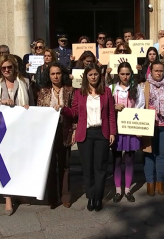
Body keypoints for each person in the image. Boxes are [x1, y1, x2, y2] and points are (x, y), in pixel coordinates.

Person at [57, 63, 116, 212]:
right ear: (86, 77)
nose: (93, 77)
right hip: (86, 134)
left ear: (99, 75)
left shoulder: (107, 92)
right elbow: (75, 112)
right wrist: (64, 109)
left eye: (96, 74)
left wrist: (112, 132)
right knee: (88, 168)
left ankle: (98, 197)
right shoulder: (80, 93)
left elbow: (110, 114)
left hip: (102, 133)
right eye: (90, 75)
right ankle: (90, 197)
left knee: (100, 168)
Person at [0, 55, 34, 215]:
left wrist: (27, 107)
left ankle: (20, 192)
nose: (7, 70)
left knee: (19, 161)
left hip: (20, 128)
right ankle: (8, 197)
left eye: (9, 67)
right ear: (0, 69)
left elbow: (33, 104)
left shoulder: (25, 82)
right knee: (5, 164)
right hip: (2, 129)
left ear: (14, 67)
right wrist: (2, 103)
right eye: (4, 68)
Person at [37, 62, 75, 209]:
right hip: (49, 133)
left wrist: (74, 131)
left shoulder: (70, 90)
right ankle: (52, 197)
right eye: (52, 74)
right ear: (49, 75)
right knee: (51, 165)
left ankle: (65, 196)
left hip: (65, 130)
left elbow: (74, 113)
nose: (55, 76)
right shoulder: (43, 91)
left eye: (58, 73)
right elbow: (40, 113)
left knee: (65, 165)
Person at [109, 62, 144, 203]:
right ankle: (118, 190)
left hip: (131, 127)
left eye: (127, 74)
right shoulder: (111, 88)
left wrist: (139, 126)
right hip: (116, 128)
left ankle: (128, 189)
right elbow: (105, 106)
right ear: (118, 74)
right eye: (122, 74)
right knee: (117, 159)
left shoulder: (136, 88)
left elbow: (141, 106)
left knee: (129, 158)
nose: (125, 76)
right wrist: (114, 106)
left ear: (131, 74)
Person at [141, 61, 164, 196]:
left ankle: (160, 182)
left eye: (161, 71)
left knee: (162, 154)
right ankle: (150, 182)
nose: (158, 73)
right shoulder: (144, 86)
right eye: (156, 70)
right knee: (149, 154)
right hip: (149, 126)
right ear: (151, 71)